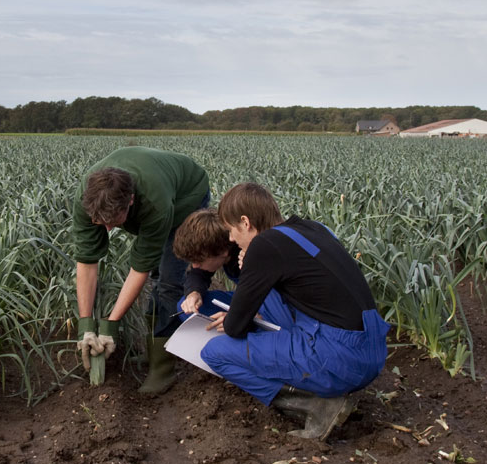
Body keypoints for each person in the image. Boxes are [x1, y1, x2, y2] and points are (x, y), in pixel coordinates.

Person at [200, 183, 390, 441]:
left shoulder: (263, 246)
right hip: (371, 345)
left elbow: (234, 328)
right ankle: (307, 373)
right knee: (263, 311)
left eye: (231, 231)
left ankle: (316, 406)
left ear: (245, 222)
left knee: (214, 352)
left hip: (340, 358)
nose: (231, 240)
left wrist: (242, 310)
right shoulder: (311, 228)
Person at [73, 146, 209, 393]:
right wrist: (86, 326)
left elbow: (139, 269)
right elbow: (86, 262)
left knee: (167, 279)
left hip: (186, 196)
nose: (108, 230)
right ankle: (153, 349)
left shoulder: (155, 204)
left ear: (131, 201)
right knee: (158, 275)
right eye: (100, 223)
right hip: (158, 187)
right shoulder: (88, 198)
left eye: (114, 222)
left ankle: (163, 366)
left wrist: (110, 326)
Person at [172, 207, 242, 319]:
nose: (195, 266)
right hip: (246, 299)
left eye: (199, 261)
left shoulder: (247, 254)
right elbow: (198, 274)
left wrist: (239, 318)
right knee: (188, 308)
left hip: (267, 305)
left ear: (222, 252)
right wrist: (194, 293)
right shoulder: (215, 249)